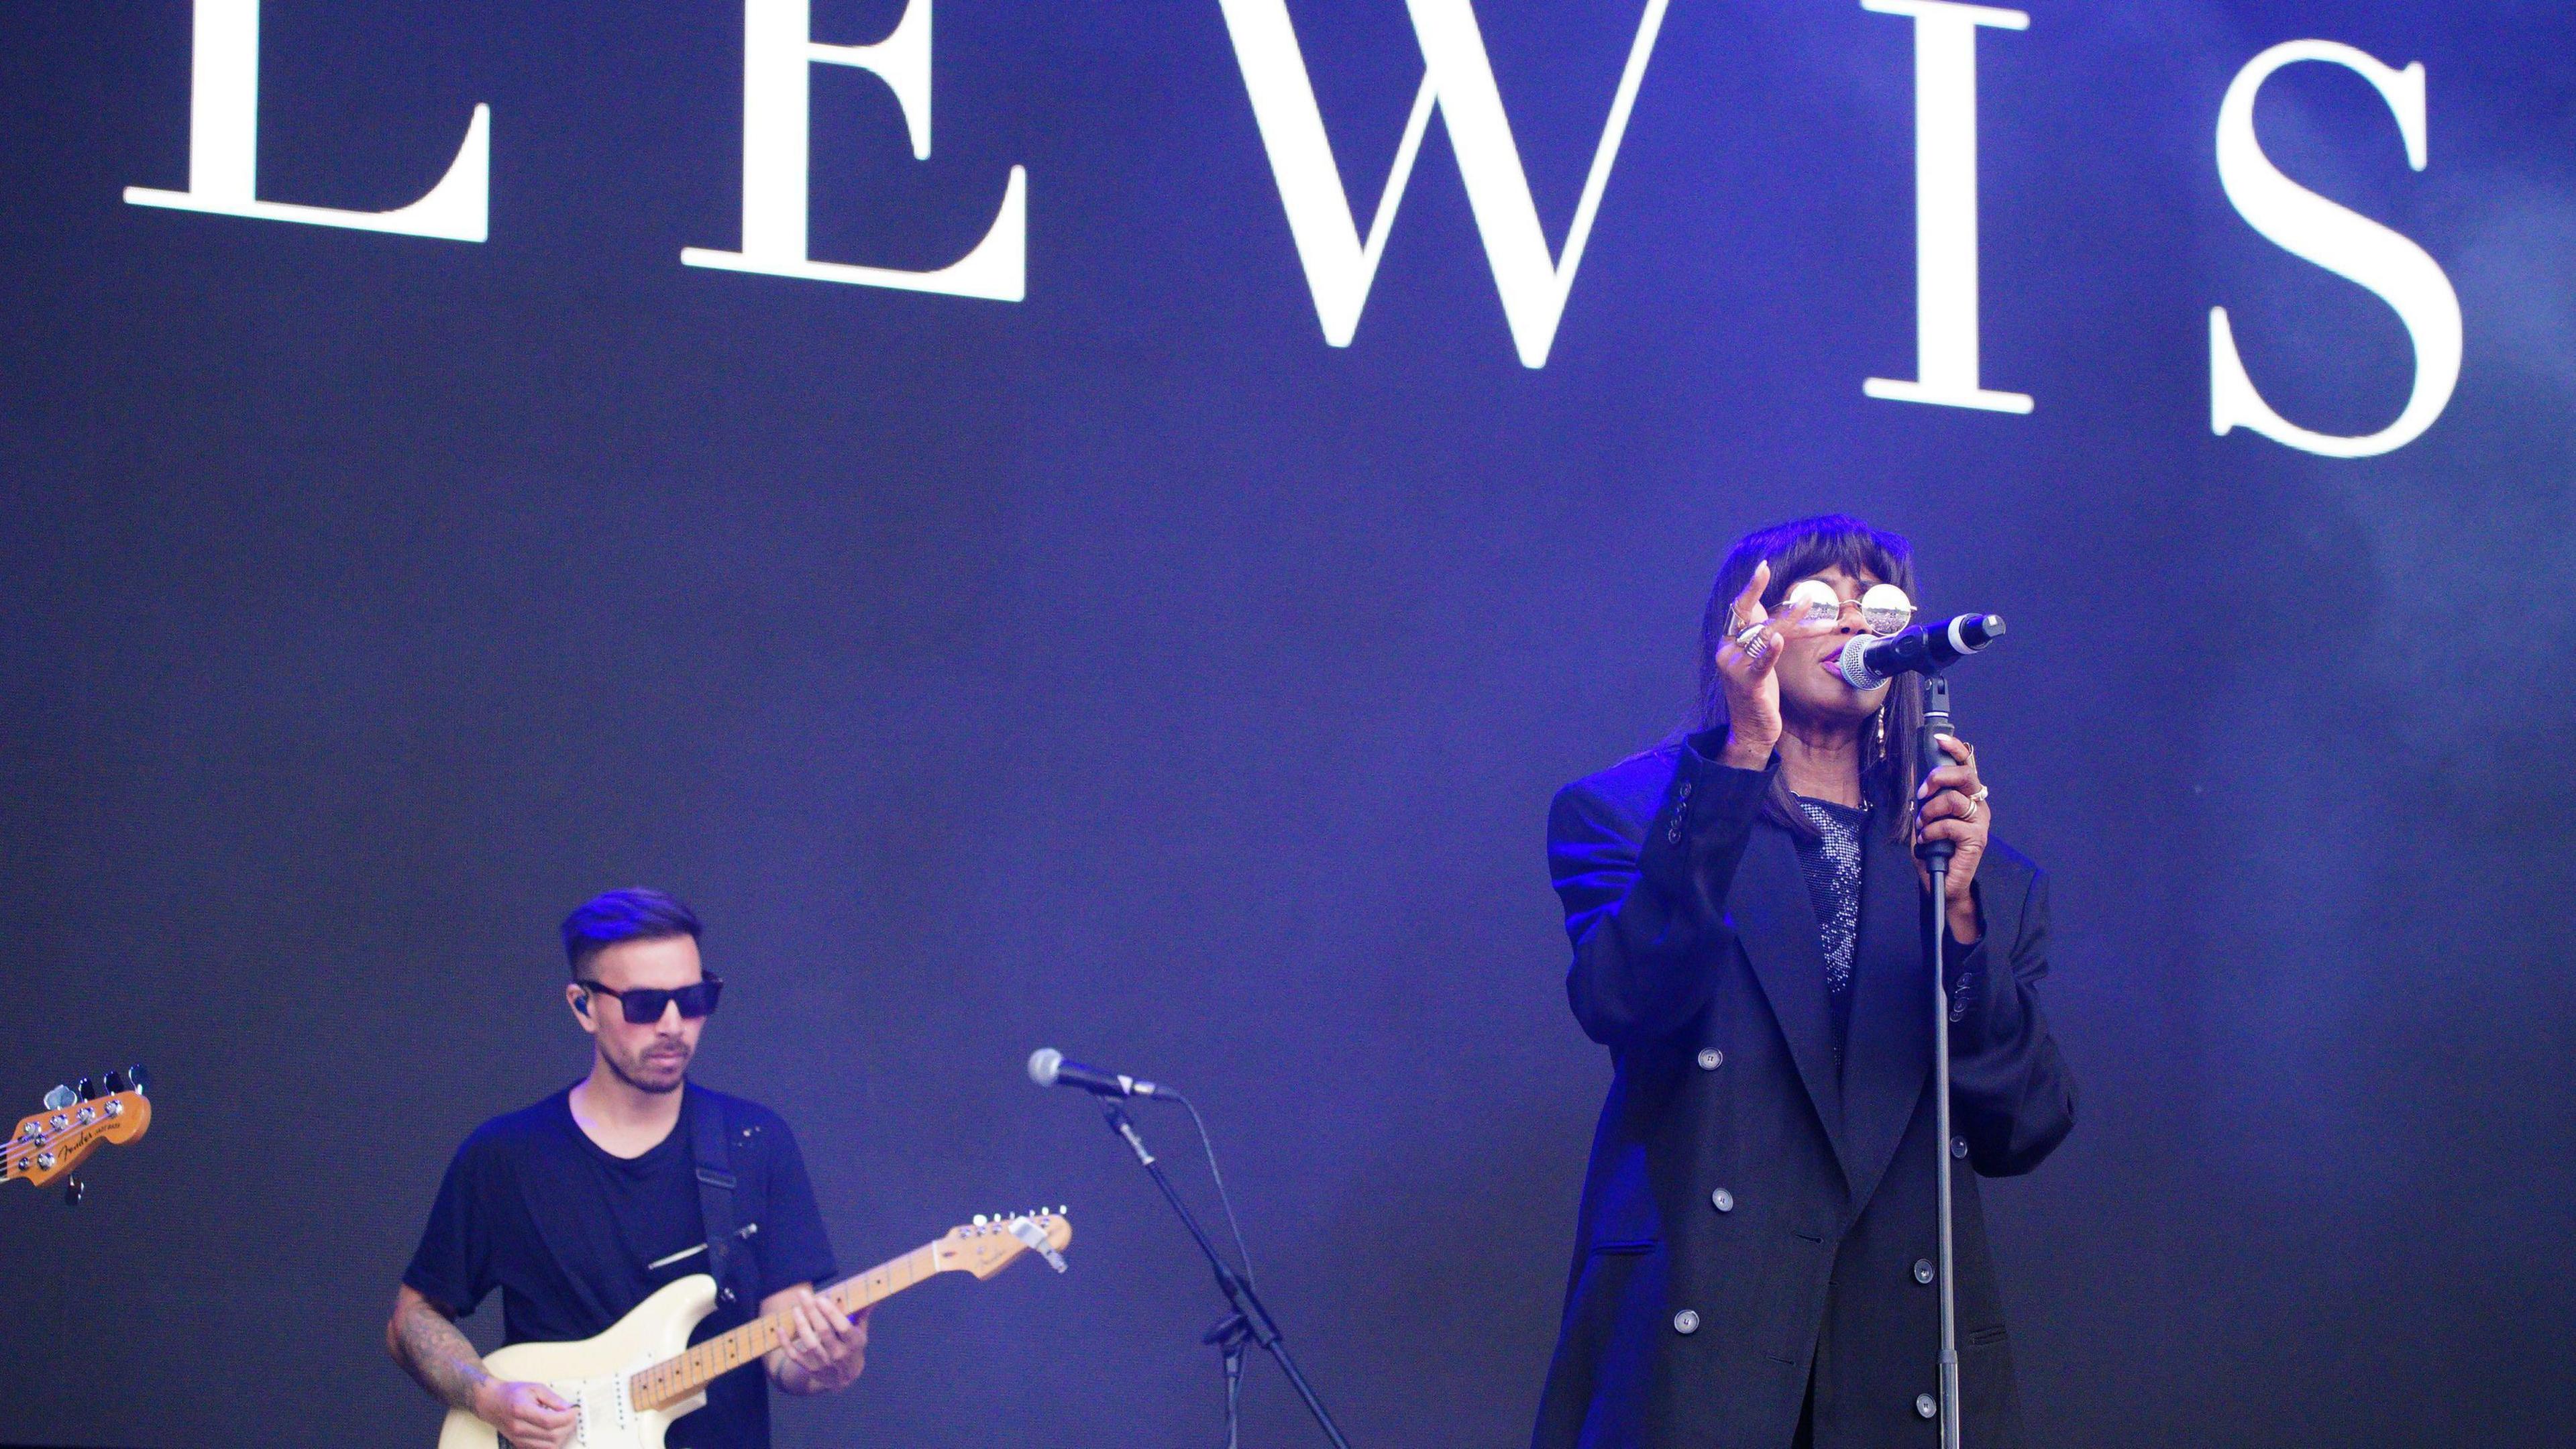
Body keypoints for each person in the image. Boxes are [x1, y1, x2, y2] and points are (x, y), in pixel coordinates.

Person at [1529, 515, 2075, 1449]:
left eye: (1880, 606)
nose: (1855, 624)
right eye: (1819, 601)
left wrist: (1960, 916)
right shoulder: (1630, 812)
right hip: (1705, 1322)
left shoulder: (1981, 871)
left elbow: (2022, 1126)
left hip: (1895, 1348)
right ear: (1746, 630)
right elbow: (1625, 999)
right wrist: (1742, 759)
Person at [386, 888, 867, 1449]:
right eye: (644, 1004)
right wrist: (487, 1395)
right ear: (582, 1005)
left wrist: (830, 1364)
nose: (673, 1025)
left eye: (693, 998)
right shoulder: (505, 1156)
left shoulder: (754, 1141)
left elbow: (786, 1353)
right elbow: (411, 1321)